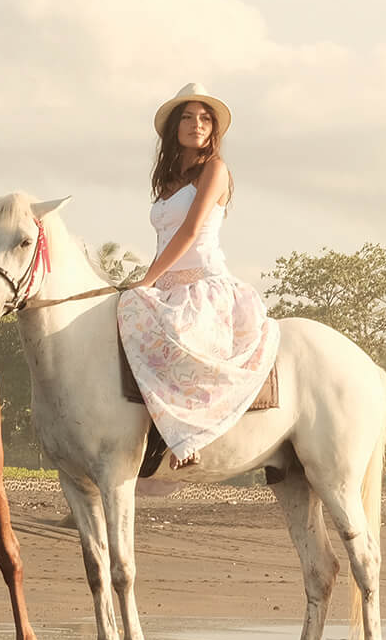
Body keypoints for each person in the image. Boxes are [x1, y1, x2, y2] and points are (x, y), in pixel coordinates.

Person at [118, 83, 281, 469]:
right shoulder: (168, 181)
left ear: (213, 129)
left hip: (205, 285)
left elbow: (189, 232)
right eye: (188, 117)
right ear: (175, 127)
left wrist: (144, 281)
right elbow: (162, 241)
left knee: (179, 338)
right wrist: (153, 283)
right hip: (169, 284)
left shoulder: (215, 170)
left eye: (205, 118)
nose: (197, 124)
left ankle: (186, 438)